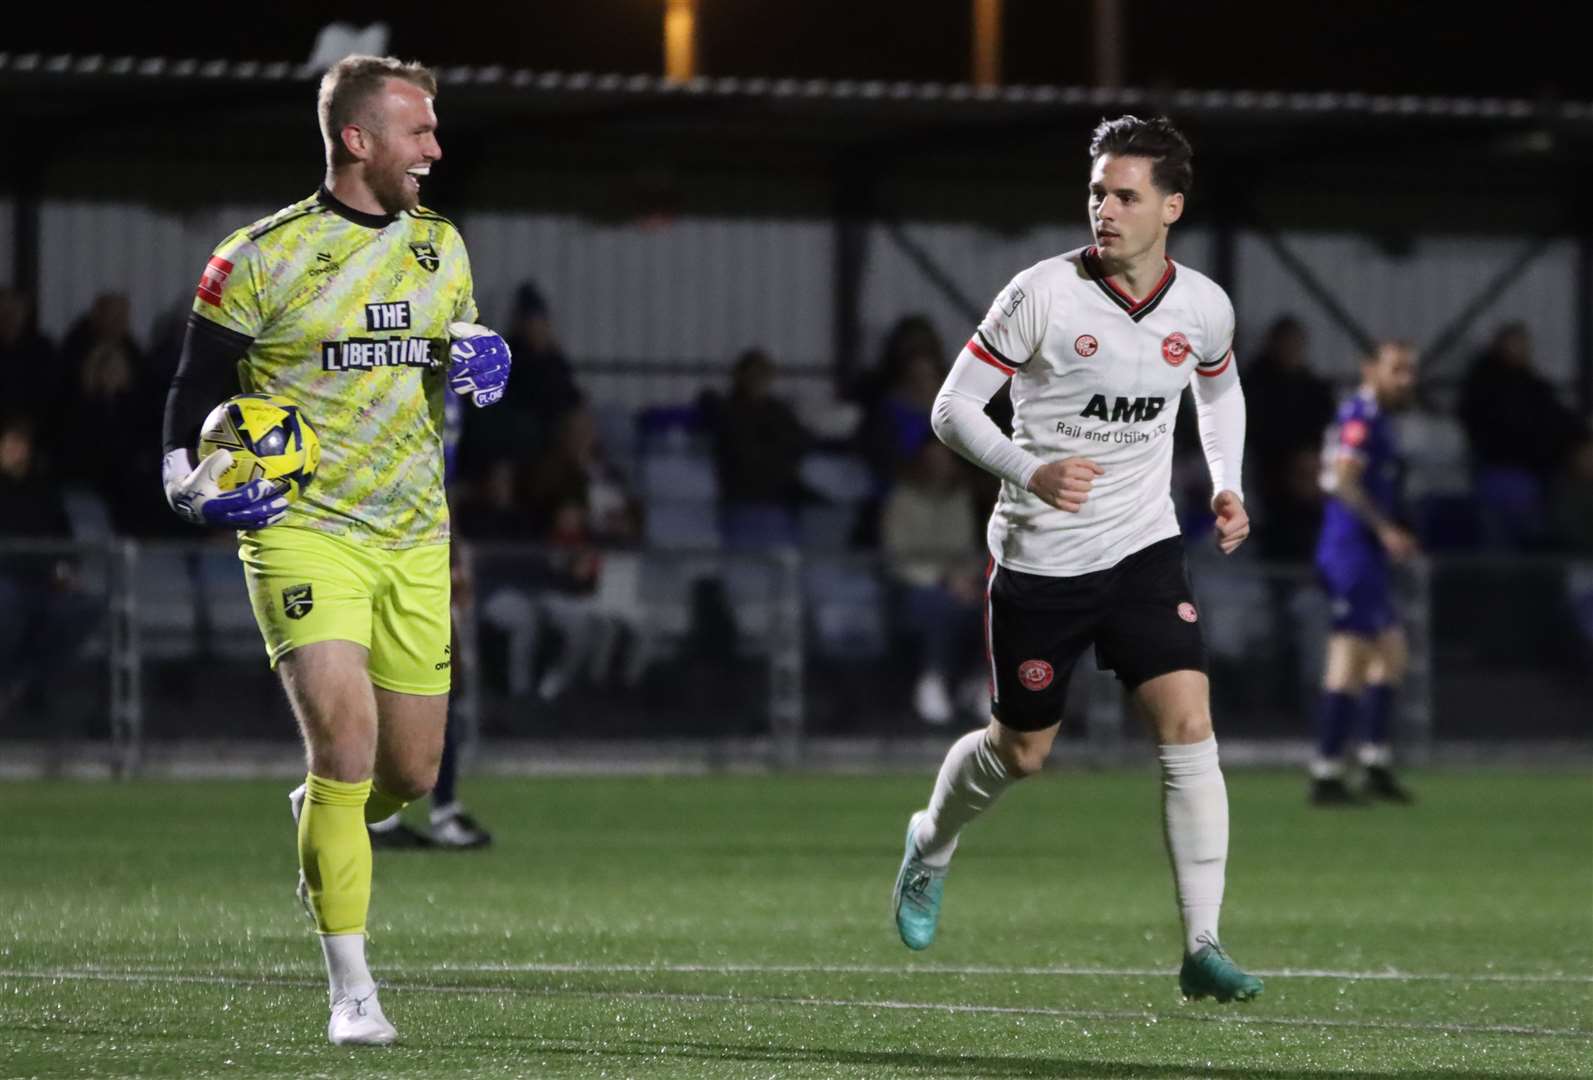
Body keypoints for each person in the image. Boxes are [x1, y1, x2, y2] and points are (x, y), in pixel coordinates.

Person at [158, 55, 511, 1045]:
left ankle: (343, 807)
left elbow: (448, 352)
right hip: (300, 529)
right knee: (346, 752)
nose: (437, 149)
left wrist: (478, 358)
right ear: (358, 140)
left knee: (409, 771)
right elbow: (193, 389)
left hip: (413, 534)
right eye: (420, 132)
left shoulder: (442, 248)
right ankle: (352, 991)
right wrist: (184, 478)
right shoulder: (259, 257)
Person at [890, 115, 1262, 1004]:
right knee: (1022, 752)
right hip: (1040, 559)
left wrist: (1226, 483)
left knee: (1187, 724)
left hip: (1142, 545)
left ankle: (1202, 941)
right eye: (1097, 191)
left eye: (1125, 194)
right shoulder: (1041, 294)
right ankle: (930, 840)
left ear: (1169, 207)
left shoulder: (1204, 305)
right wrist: (1030, 469)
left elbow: (1218, 389)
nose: (1104, 207)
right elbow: (951, 409)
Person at [1310, 341, 1420, 805]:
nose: (1406, 379)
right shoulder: (1361, 416)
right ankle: (1328, 771)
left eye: (1410, 370)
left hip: (1365, 554)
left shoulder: (1374, 417)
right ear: (1370, 370)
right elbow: (1343, 478)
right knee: (1350, 657)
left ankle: (1374, 759)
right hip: (1350, 552)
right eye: (1397, 369)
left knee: (1391, 654)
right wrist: (1385, 528)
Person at [1458, 322, 1591, 549]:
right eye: (1514, 344)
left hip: (1532, 475)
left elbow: (1557, 418)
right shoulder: (1487, 387)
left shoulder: (1532, 386)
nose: (1520, 351)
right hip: (1503, 472)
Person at [880, 440, 984, 724]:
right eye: (933, 460)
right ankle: (933, 679)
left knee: (997, 607)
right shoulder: (902, 498)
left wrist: (967, 578)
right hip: (913, 585)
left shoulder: (959, 497)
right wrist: (944, 579)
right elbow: (897, 554)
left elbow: (966, 549)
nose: (940, 466)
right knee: (939, 606)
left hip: (958, 584)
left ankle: (980, 682)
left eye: (946, 460)